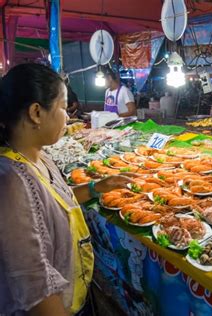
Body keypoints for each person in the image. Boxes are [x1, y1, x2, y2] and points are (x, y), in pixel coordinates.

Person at [0, 63, 132, 315]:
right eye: (62, 107)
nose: (68, 116)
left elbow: (54, 200)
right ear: (36, 113)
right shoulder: (11, 184)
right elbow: (35, 287)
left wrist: (96, 187)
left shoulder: (38, 157)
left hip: (75, 296)